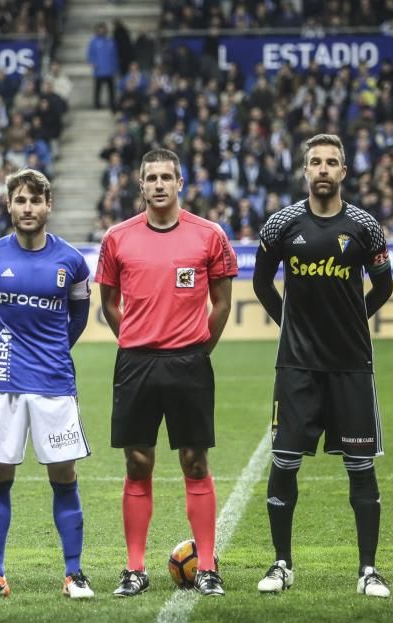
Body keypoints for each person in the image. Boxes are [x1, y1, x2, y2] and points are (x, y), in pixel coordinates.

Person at [252, 133, 393, 598]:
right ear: (305, 170)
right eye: (316, 161)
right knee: (285, 461)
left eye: (332, 161)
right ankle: (281, 564)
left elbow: (384, 287)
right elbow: (260, 284)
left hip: (352, 364)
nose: (324, 169)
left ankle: (368, 570)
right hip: (297, 366)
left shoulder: (365, 227)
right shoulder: (280, 226)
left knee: (360, 465)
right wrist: (287, 322)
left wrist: (355, 321)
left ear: (344, 172)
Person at [95, 148, 237, 597]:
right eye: (150, 177)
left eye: (166, 177)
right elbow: (110, 305)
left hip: (188, 363)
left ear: (181, 183)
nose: (158, 184)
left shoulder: (209, 235)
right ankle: (134, 569)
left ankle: (208, 566)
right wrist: (137, 338)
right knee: (138, 463)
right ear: (140, 186)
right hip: (136, 363)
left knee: (195, 461)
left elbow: (222, 302)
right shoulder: (117, 238)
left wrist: (197, 348)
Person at [0, 168, 94, 600]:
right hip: (3, 383)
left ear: (48, 205)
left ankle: (74, 574)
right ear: (9, 205)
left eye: (35, 201)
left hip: (55, 383)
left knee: (64, 473)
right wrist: (8, 345)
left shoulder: (71, 261)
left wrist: (53, 349)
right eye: (20, 200)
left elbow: (77, 318)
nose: (28, 208)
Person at [86, 22, 117, 112]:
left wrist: (115, 67)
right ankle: (97, 104)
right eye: (99, 30)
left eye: (103, 29)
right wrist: (93, 62)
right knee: (98, 88)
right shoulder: (93, 42)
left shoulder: (110, 41)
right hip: (99, 70)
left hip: (109, 69)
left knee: (111, 89)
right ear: (97, 31)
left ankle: (112, 104)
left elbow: (115, 55)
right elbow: (90, 54)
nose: (101, 31)